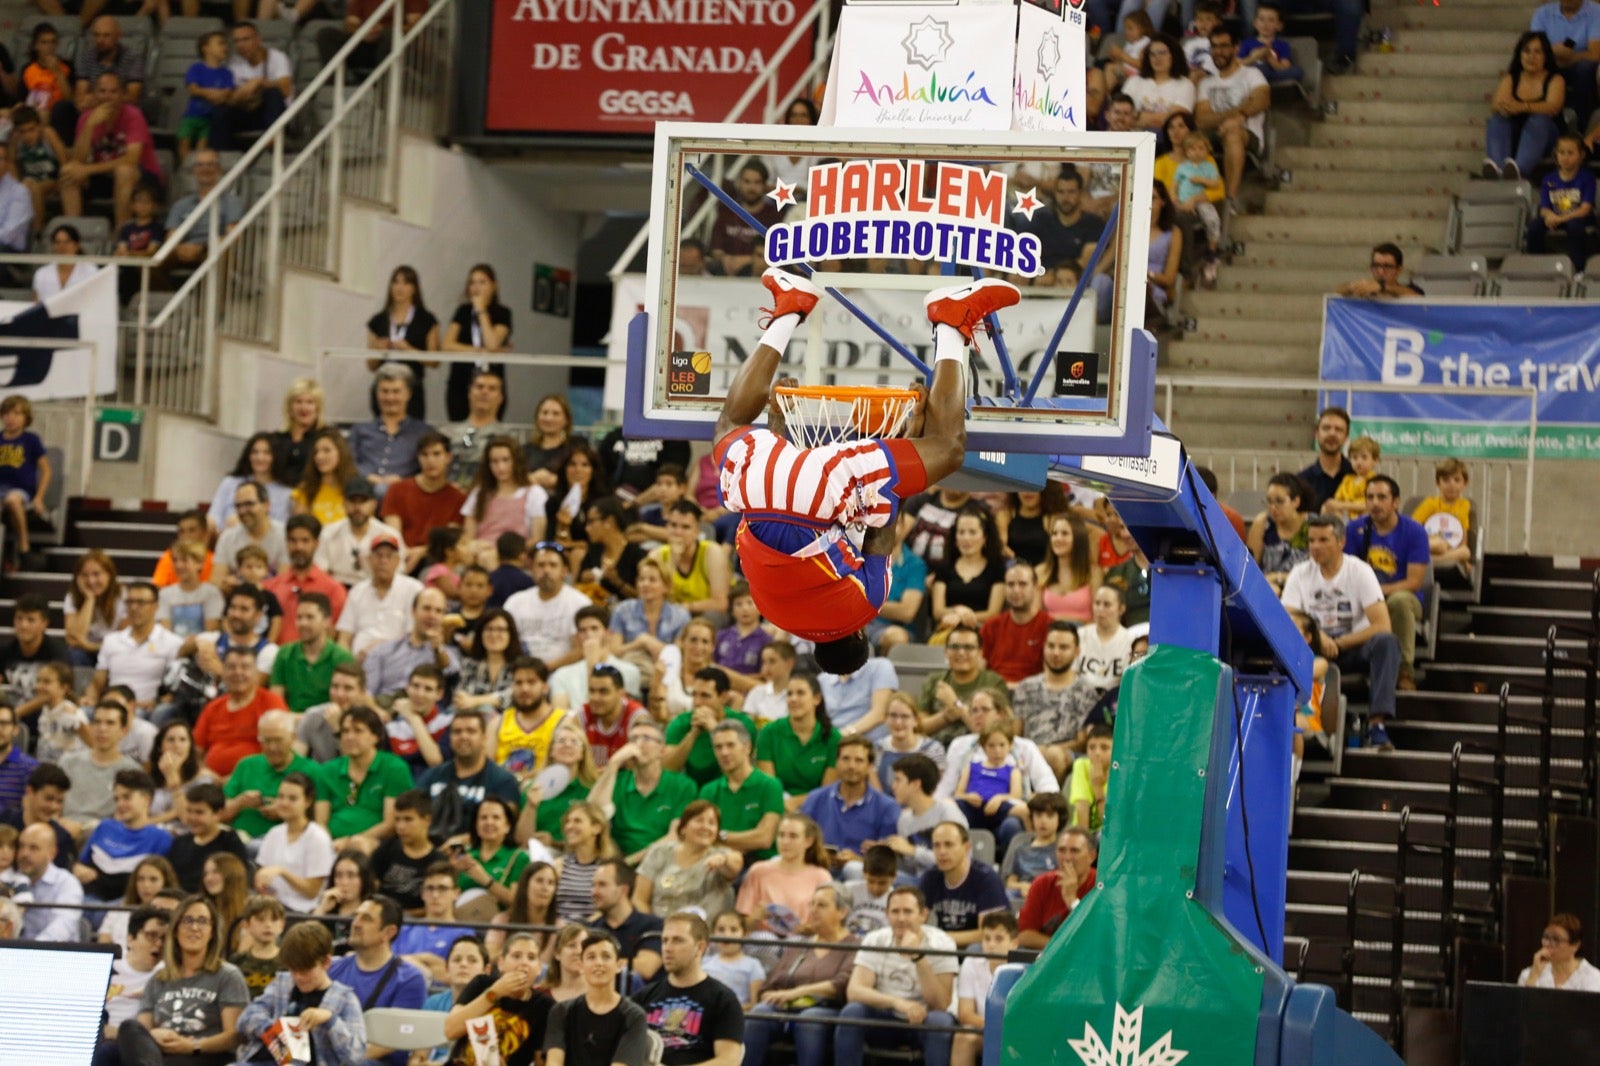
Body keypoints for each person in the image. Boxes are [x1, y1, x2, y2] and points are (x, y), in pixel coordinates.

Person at [715, 270, 1018, 674]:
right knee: (728, 424)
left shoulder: (863, 608)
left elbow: (882, 529)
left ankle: (952, 321)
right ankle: (789, 308)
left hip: (817, 501)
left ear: (860, 636)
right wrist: (778, 424)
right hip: (759, 493)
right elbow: (772, 524)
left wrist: (909, 443)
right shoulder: (775, 615)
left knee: (948, 450)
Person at [1281, 515, 1402, 750]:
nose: (1315, 547)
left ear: (1341, 542)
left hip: (1352, 648)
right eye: (1312, 541)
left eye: (1323, 540)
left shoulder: (1360, 571)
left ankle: (1377, 725)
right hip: (1314, 648)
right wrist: (1319, 635)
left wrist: (1341, 642)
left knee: (1387, 642)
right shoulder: (1300, 572)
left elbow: (1382, 624)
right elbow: (1287, 616)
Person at [837, 886, 958, 1066]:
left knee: (940, 1020)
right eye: (895, 911)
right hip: (885, 1018)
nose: (901, 918)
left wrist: (918, 956)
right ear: (887, 914)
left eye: (908, 911)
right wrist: (898, 1003)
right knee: (852, 1012)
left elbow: (940, 1003)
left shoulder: (942, 944)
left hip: (924, 1020)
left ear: (923, 915)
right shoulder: (875, 939)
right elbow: (855, 991)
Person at [741, 882, 859, 1066]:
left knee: (810, 1018)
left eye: (821, 905)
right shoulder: (801, 944)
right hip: (789, 1009)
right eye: (812, 904)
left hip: (830, 1010)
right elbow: (772, 982)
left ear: (842, 912)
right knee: (760, 1013)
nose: (813, 910)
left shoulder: (855, 945)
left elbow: (842, 984)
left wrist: (795, 992)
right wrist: (768, 995)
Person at [236, 919, 368, 1063]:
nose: (298, 977)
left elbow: (356, 1056)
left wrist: (331, 1020)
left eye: (305, 971)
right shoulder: (283, 983)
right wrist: (274, 1032)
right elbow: (246, 1018)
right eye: (293, 970)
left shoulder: (345, 998)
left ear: (325, 962)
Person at [1345, 474, 1430, 691]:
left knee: (1399, 602)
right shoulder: (1354, 530)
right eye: (1370, 497)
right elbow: (1346, 572)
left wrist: (1376, 592)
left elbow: (1414, 582)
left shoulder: (1414, 531)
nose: (1375, 503)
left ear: (1395, 502)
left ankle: (1404, 671)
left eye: (1382, 497)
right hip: (1362, 596)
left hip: (1404, 597)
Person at [327, 896, 430, 1066]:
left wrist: (341, 1059)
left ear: (388, 932)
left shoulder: (409, 978)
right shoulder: (333, 967)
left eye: (366, 919)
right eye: (356, 916)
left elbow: (392, 1040)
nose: (356, 924)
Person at [634, 911, 745, 1066]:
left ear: (700, 947)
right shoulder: (643, 997)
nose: (667, 948)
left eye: (677, 941)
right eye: (665, 941)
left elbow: (729, 1061)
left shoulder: (723, 999)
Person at [591, 716, 699, 863]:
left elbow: (675, 836)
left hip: (662, 861)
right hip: (616, 858)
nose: (638, 744)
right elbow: (593, 817)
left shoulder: (683, 785)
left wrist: (628, 862)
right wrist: (613, 764)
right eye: (633, 739)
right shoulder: (619, 780)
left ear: (662, 750)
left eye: (646, 739)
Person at [60, 71, 160, 228]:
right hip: (103, 173)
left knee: (124, 171)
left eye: (113, 92)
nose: (108, 96)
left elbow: (131, 159)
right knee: (68, 172)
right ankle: (73, 235)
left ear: (122, 95)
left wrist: (88, 170)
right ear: (94, 94)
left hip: (141, 176)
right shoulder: (87, 117)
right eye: (103, 91)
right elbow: (78, 160)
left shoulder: (134, 115)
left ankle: (121, 235)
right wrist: (90, 126)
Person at [542, 931, 654, 1066]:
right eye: (591, 957)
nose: (599, 963)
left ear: (619, 965)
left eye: (606, 957)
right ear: (581, 966)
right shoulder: (561, 1011)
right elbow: (554, 1062)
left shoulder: (634, 1016)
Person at [443, 930, 554, 1066]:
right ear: (501, 963)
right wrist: (494, 993)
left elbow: (541, 1061)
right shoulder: (481, 983)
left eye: (531, 957)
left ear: (538, 968)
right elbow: (450, 1030)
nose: (524, 962)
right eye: (516, 956)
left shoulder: (544, 1005)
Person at [315, 704, 414, 847]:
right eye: (345, 731)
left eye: (358, 731)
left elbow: (390, 824)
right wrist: (328, 845)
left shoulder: (394, 768)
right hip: (332, 845)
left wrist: (351, 842)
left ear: (376, 736)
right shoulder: (327, 771)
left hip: (377, 845)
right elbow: (320, 821)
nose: (349, 737)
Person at [1012, 622, 1099, 779]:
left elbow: (1081, 742)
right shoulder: (1025, 687)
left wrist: (1044, 750)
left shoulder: (1086, 690)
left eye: (1064, 647)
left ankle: (1050, 802)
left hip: (1067, 753)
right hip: (1027, 751)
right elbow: (1016, 733)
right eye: (1051, 646)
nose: (1056, 653)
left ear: (1077, 651)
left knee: (1054, 756)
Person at [801, 736, 900, 873]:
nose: (851, 766)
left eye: (859, 760)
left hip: (863, 875)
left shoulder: (887, 807)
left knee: (852, 869)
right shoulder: (816, 798)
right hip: (818, 869)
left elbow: (887, 860)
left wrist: (858, 860)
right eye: (846, 759)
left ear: (869, 766)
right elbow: (800, 841)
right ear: (837, 762)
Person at [416, 709, 521, 837]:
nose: (463, 737)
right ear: (450, 738)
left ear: (484, 737)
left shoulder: (503, 781)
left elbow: (505, 828)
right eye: (457, 732)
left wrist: (468, 840)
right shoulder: (431, 776)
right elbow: (413, 817)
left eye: (471, 731)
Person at [1195, 25, 1269, 205]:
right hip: (1213, 133)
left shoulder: (1251, 74)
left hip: (1247, 134)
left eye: (1224, 46)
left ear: (1236, 48)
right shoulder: (1207, 83)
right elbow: (1202, 120)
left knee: (1233, 133)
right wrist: (1237, 111)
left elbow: (1262, 100)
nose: (1218, 52)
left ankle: (1230, 199)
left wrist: (1240, 118)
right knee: (1183, 135)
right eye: (1215, 47)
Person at [222, 708, 319, 840]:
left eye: (278, 740)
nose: (272, 747)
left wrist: (284, 811)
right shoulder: (247, 765)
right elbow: (218, 813)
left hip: (284, 842)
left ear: (293, 738)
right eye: (266, 741)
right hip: (237, 838)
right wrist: (239, 802)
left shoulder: (312, 770)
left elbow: (318, 818)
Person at [381, 432, 466, 572]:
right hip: (402, 555)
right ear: (418, 458)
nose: (430, 460)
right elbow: (393, 534)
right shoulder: (397, 490)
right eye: (425, 455)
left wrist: (421, 552)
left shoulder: (458, 498)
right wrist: (406, 553)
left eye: (436, 454)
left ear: (448, 457)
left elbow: (449, 541)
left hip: (436, 559)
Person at [252, 769, 335, 912]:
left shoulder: (317, 837)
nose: (284, 803)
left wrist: (282, 872)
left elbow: (312, 892)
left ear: (307, 801)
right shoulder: (274, 834)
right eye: (281, 797)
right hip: (272, 908)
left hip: (302, 912)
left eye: (292, 799)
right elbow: (262, 876)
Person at [918, 821, 1009, 947]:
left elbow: (989, 933)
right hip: (947, 947)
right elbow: (915, 921)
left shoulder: (986, 878)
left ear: (966, 848)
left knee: (976, 948)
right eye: (936, 846)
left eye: (949, 845)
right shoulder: (930, 877)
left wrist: (940, 938)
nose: (942, 851)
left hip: (980, 950)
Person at [442, 264, 513, 421]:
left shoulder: (502, 313)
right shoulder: (462, 311)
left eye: (482, 282)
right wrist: (480, 350)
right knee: (461, 432)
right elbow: (447, 345)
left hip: (491, 381)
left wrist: (481, 311)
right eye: (472, 282)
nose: (476, 287)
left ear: (494, 286)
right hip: (461, 382)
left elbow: (492, 343)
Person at [351, 363, 434, 497]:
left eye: (396, 391)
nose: (390, 398)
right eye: (385, 391)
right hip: (363, 494)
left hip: (407, 495)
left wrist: (405, 481)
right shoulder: (360, 430)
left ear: (408, 394)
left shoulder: (423, 432)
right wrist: (367, 476)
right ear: (377, 394)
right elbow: (349, 463)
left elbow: (431, 467)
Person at [951, 911, 1020, 1066]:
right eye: (987, 938)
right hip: (983, 1030)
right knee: (963, 1037)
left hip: (1013, 1034)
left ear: (1014, 943)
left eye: (999, 938)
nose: (991, 944)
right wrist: (994, 1026)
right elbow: (965, 1014)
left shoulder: (1025, 970)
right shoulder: (971, 963)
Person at [336, 534, 424, 657]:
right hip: (360, 662)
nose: (383, 561)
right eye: (378, 555)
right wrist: (349, 664)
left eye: (389, 556)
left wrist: (380, 650)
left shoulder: (414, 589)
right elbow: (344, 638)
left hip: (399, 660)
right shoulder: (357, 591)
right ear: (370, 559)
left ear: (398, 560)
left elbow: (415, 637)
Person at [505, 543, 592, 665]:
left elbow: (582, 649)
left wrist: (546, 669)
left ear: (564, 571)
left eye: (553, 565)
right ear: (532, 570)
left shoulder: (580, 603)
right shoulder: (515, 602)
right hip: (520, 670)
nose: (546, 570)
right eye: (540, 565)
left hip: (563, 672)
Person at [60, 701, 141, 828]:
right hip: (65, 827)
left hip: (106, 833)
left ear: (123, 731)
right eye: (97, 722)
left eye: (110, 723)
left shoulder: (132, 771)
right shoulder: (68, 761)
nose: (102, 729)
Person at [547, 608, 644, 714]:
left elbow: (625, 714)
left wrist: (592, 664)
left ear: (608, 633)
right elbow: (560, 715)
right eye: (583, 630)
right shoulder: (562, 674)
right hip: (574, 728)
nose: (589, 634)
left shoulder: (629, 671)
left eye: (594, 628)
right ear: (578, 636)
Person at [1016, 828, 1098, 949]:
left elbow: (1096, 937)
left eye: (1074, 851)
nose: (1067, 857)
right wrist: (1061, 949)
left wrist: (1072, 901)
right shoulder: (1042, 883)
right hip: (1046, 958)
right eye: (1062, 850)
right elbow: (1024, 935)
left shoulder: (1101, 885)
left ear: (1091, 856)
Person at [164, 781, 249, 893]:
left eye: (199, 812)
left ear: (218, 813)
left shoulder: (229, 842)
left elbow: (237, 882)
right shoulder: (180, 842)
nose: (192, 818)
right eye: (189, 811)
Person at [585, 858, 664, 978]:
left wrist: (598, 965)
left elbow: (647, 967)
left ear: (623, 890)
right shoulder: (591, 929)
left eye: (602, 885)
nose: (594, 892)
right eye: (593, 885)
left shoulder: (653, 925)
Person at [1527, 133, 1596, 270]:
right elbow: (1545, 208)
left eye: (1570, 153)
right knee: (1535, 226)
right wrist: (1551, 216)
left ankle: (1578, 268)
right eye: (1562, 152)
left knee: (1575, 226)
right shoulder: (1548, 179)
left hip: (1578, 217)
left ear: (1581, 155)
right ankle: (1536, 265)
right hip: (1556, 217)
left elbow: (1585, 209)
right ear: (1556, 155)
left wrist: (1562, 218)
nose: (1565, 157)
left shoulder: (1587, 178)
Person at [102, 905, 170, 1043]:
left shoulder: (166, 975)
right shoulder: (108, 969)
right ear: (131, 939)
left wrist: (118, 1034)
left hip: (134, 1043)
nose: (159, 943)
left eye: (164, 938)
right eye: (151, 935)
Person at [1531, 0, 1600, 129]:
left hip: (1581, 68)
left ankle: (1583, 124)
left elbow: (1595, 54)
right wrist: (1553, 52)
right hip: (1551, 65)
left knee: (1586, 67)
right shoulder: (1542, 14)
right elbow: (1534, 49)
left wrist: (1570, 57)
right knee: (1537, 68)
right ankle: (1554, 126)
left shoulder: (1596, 12)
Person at [452, 794, 529, 910]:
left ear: (507, 826)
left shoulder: (519, 857)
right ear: (476, 826)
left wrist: (486, 881)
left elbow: (518, 903)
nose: (489, 822)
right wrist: (454, 870)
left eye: (496, 817)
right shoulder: (466, 857)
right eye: (483, 818)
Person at [980, 562, 1051, 684]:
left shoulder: (1050, 626)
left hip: (1033, 693)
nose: (1016, 590)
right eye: (1010, 584)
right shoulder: (991, 626)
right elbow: (979, 671)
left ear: (1035, 587)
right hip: (995, 692)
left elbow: (1051, 677)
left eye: (1022, 584)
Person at [441, 371, 514, 488]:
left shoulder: (508, 437)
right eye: (479, 387)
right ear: (469, 393)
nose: (484, 392)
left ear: (501, 398)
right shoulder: (446, 434)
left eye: (492, 389)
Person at [14, 820, 84, 940]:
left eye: (33, 848)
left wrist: (28, 954)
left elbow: (62, 928)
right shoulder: (9, 880)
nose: (24, 853)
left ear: (52, 853)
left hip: (54, 955)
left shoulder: (67, 884)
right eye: (21, 846)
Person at [223, 20, 293, 137]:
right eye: (236, 41)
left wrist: (259, 82)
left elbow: (286, 89)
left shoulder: (276, 57)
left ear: (258, 39)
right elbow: (231, 97)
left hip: (278, 115)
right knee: (220, 110)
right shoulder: (234, 64)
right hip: (248, 111)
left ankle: (272, 139)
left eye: (245, 39)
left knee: (273, 93)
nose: (241, 45)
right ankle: (221, 152)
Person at [1412, 458, 1475, 567]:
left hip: (1452, 548)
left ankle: (1429, 561)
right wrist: (1430, 537)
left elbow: (1463, 533)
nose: (1451, 485)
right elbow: (1413, 526)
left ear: (1465, 483)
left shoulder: (1464, 505)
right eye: (1446, 480)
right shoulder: (1430, 503)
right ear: (1438, 483)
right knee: (1440, 545)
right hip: (1432, 543)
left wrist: (1465, 562)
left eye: (1457, 480)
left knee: (1465, 552)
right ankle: (1426, 558)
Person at [1519, 913, 1600, 991]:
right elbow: (1522, 1004)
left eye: (1556, 940)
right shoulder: (1528, 974)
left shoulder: (1593, 977)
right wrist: (1534, 974)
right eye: (1546, 937)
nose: (1547, 944)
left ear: (1575, 945)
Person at [1077, 585, 1135, 691]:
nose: (1100, 609)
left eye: (1107, 605)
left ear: (1121, 609)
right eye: (1097, 603)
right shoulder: (1080, 635)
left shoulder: (1131, 640)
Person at [1298, 407, 1354, 511]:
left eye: (1338, 429)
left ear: (1346, 437)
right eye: (1326, 428)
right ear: (1317, 434)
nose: (1332, 433)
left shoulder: (1359, 476)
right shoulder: (1301, 481)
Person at [1336, 242, 1424, 299]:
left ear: (1399, 270)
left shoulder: (1410, 290)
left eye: (1387, 266)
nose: (1381, 271)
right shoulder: (1367, 290)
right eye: (1376, 265)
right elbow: (1340, 290)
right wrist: (1354, 286)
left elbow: (1417, 298)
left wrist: (1383, 288)